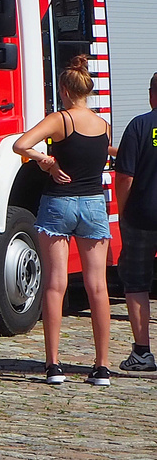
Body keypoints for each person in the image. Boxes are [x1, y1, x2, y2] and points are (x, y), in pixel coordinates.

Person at [12, 54, 113, 385]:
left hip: (59, 204)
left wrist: (46, 161)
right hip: (94, 205)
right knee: (97, 286)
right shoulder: (102, 124)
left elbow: (21, 144)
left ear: (66, 91)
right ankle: (101, 367)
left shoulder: (60, 120)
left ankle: (54, 365)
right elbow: (109, 150)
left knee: (56, 284)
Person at [114, 71, 157, 373]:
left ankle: (143, 352)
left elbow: (125, 176)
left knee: (137, 283)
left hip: (142, 215)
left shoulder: (139, 126)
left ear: (152, 94)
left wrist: (123, 211)